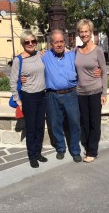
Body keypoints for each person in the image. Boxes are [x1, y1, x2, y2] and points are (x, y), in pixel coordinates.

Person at [42, 29, 82, 163]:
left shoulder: (73, 55)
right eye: (56, 42)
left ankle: (75, 150)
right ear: (51, 43)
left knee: (75, 123)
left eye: (61, 41)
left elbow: (88, 62)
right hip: (52, 96)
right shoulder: (44, 56)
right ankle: (60, 148)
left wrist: (98, 70)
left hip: (71, 95)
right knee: (55, 123)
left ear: (64, 42)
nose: (59, 44)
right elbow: (26, 63)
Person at [10, 30, 48, 168]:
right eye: (27, 42)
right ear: (23, 43)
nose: (31, 44)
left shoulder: (40, 55)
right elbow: (13, 82)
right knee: (31, 128)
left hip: (42, 95)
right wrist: (18, 100)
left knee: (39, 127)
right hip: (29, 97)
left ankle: (38, 153)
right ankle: (32, 156)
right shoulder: (18, 60)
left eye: (33, 41)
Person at [75, 19, 107, 163]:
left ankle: (92, 151)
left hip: (95, 91)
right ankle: (87, 147)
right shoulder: (76, 50)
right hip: (80, 92)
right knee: (85, 123)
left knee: (94, 122)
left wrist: (104, 93)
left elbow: (104, 72)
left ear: (91, 32)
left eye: (86, 31)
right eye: (81, 31)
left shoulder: (98, 50)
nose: (83, 34)